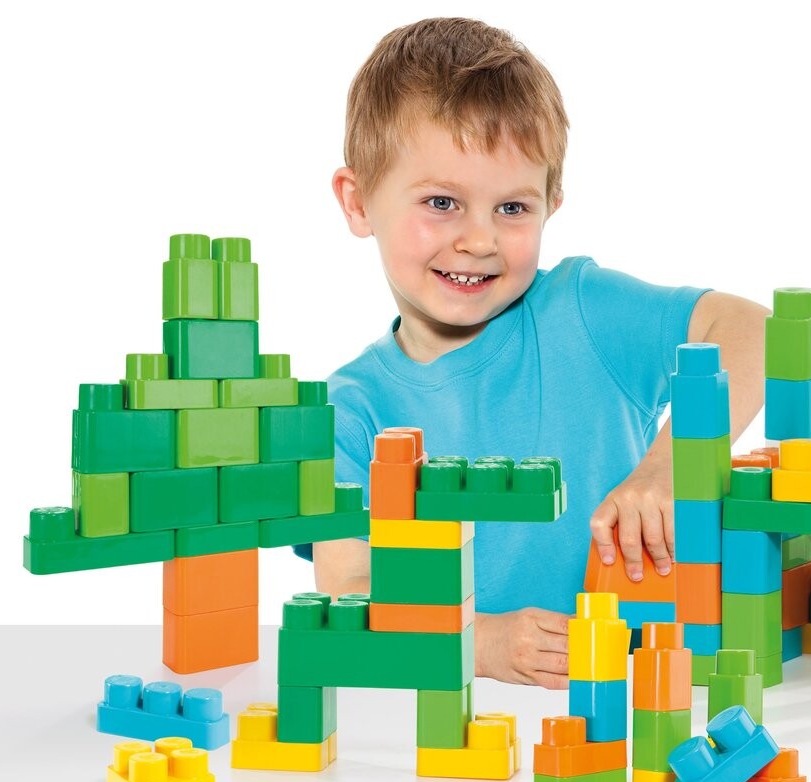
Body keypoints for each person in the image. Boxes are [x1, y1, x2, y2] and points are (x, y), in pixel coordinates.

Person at [315, 17, 768, 690]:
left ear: (552, 203)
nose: (479, 240)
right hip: (456, 721)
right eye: (441, 202)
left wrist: (674, 465)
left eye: (512, 208)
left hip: (643, 699)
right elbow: (347, 594)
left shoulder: (582, 311)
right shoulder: (347, 412)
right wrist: (480, 644)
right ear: (358, 203)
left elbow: (755, 329)